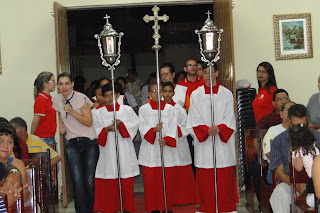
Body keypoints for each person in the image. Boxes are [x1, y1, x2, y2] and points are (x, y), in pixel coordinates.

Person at [187, 66, 238, 212]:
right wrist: (205, 130)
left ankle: (226, 207)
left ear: (216, 73)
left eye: (211, 72)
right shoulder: (196, 95)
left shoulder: (226, 94)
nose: (208, 75)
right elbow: (193, 118)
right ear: (201, 74)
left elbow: (230, 116)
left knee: (224, 177)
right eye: (205, 72)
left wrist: (220, 128)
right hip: (205, 144)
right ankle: (206, 207)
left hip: (222, 143)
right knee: (206, 178)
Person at [52, 72, 99, 213]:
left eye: (67, 83)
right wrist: (61, 127)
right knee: (77, 181)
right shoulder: (57, 100)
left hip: (89, 142)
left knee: (89, 181)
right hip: (72, 142)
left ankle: (90, 210)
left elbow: (89, 121)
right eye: (61, 84)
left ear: (72, 84)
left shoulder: (81, 98)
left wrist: (72, 112)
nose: (64, 86)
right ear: (57, 86)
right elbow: (60, 115)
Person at [92, 83, 140, 213]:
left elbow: (134, 125)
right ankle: (111, 208)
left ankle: (127, 208)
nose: (109, 99)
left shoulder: (127, 110)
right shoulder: (97, 113)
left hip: (124, 150)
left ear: (118, 95)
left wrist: (122, 125)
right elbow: (94, 130)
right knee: (110, 178)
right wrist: (106, 129)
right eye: (106, 96)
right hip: (108, 151)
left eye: (111, 95)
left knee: (125, 180)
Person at [269, 104, 320, 212]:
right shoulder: (279, 141)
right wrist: (295, 185)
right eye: (297, 125)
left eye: (304, 125)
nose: (301, 128)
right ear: (288, 122)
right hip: (290, 183)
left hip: (316, 183)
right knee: (279, 194)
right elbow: (279, 171)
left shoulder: (317, 136)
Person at [138, 80, 177, 213]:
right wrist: (154, 130)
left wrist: (166, 139)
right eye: (153, 91)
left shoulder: (170, 109)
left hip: (165, 150)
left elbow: (173, 127)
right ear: (149, 94)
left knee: (167, 182)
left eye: (159, 91)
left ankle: (167, 207)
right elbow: (142, 128)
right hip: (150, 151)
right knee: (151, 183)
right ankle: (153, 208)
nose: (156, 94)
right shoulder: (144, 109)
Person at [162, 82, 196, 205]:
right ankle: (168, 198)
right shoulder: (158, 109)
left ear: (174, 93)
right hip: (164, 144)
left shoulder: (179, 109)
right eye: (164, 91)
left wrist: (172, 132)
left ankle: (184, 198)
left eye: (169, 91)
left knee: (182, 172)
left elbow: (186, 126)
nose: (167, 94)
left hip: (179, 144)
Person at [262, 101, 295, 184]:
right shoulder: (273, 131)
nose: (290, 114)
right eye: (287, 111)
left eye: (293, 111)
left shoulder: (301, 131)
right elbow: (268, 153)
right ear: (281, 113)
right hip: (277, 170)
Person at [0, 122, 27, 199]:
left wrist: (18, 191)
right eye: (1, 141)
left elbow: (24, 194)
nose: (5, 145)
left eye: (10, 142)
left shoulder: (18, 164)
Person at [31, 71, 57, 145]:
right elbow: (35, 121)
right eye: (53, 81)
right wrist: (31, 138)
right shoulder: (41, 99)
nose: (55, 84)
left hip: (50, 137)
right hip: (43, 138)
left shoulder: (49, 98)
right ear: (45, 84)